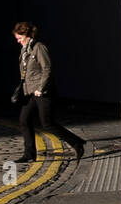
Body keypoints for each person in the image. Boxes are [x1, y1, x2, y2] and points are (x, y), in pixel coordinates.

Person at [13, 21, 87, 163]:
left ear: (27, 35)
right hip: (30, 92)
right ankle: (29, 154)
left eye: (19, 38)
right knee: (24, 120)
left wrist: (41, 89)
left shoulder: (39, 47)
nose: (18, 41)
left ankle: (77, 143)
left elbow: (47, 69)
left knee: (47, 123)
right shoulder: (25, 50)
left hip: (43, 92)